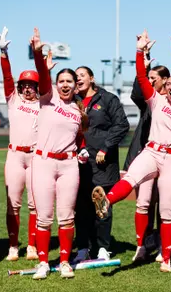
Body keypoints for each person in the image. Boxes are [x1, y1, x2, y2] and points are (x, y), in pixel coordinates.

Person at [92, 30, 171, 272]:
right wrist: (140, 51)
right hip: (151, 152)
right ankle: (107, 202)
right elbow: (142, 78)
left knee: (167, 211)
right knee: (130, 178)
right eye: (169, 83)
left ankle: (166, 259)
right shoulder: (157, 100)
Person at [29, 28, 89, 280]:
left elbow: (79, 138)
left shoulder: (79, 110)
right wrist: (38, 54)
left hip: (68, 166)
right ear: (56, 84)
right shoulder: (47, 98)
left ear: (76, 86)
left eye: (70, 82)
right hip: (43, 163)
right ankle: (43, 262)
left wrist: (83, 150)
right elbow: (42, 74)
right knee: (44, 217)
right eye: (61, 81)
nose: (65, 84)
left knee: (66, 216)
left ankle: (65, 262)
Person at [73, 64, 129, 262]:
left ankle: (103, 248)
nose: (78, 79)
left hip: (102, 162)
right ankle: (82, 248)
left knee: (101, 205)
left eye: (82, 75)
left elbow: (122, 125)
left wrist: (106, 147)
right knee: (81, 207)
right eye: (75, 76)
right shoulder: (72, 100)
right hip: (78, 162)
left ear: (92, 78)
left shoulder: (107, 99)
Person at [0, 26, 40, 261]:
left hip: (35, 157)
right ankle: (14, 245)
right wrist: (3, 53)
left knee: (35, 204)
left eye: (32, 85)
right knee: (13, 203)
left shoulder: (43, 103)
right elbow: (7, 77)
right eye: (25, 85)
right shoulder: (13, 99)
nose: (27, 88)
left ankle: (32, 245)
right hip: (15, 156)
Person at [122, 40, 168, 263]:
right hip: (145, 154)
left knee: (164, 204)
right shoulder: (147, 100)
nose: (151, 82)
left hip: (168, 159)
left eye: (155, 79)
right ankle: (142, 245)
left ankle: (160, 243)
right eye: (149, 79)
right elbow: (137, 94)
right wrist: (144, 62)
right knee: (144, 202)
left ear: (166, 81)